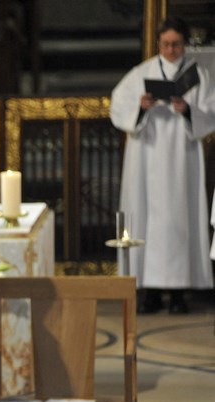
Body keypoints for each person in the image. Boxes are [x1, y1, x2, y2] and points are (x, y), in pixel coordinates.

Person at [110, 18, 215, 314]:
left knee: (180, 221)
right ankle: (149, 293)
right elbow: (118, 107)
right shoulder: (140, 73)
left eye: (177, 44)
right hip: (147, 156)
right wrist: (140, 108)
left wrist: (189, 111)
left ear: (184, 44)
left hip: (182, 158)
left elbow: (211, 110)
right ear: (158, 44)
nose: (171, 50)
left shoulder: (199, 76)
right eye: (166, 44)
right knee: (144, 220)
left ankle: (179, 293)